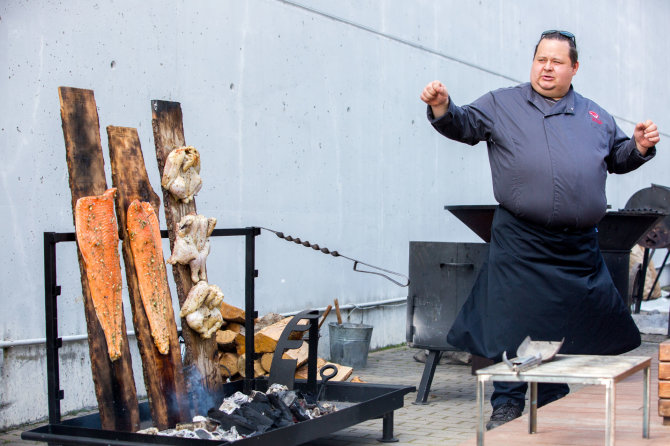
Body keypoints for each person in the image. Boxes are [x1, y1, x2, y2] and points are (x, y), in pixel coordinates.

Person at [420, 30, 660, 430]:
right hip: (521, 238)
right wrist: (443, 107)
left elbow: (617, 159)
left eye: (557, 61)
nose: (547, 67)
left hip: (576, 244)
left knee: (563, 324)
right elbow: (462, 125)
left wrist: (637, 147)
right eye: (541, 59)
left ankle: (549, 396)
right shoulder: (502, 103)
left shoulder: (595, 114)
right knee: (513, 322)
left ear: (574, 67)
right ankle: (508, 403)